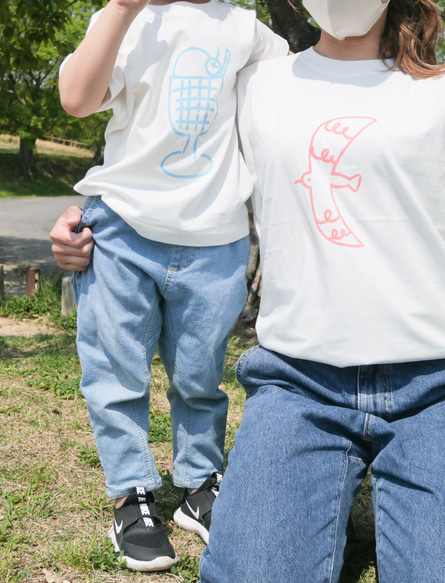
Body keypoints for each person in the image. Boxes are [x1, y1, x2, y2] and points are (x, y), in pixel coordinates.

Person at [51, 0, 445, 581]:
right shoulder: (256, 80)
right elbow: (163, 153)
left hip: (442, 384)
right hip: (296, 385)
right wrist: (89, 217)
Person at [52, 0, 287, 572]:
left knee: (201, 376)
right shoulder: (123, 17)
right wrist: (122, 8)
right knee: (115, 373)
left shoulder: (241, 25)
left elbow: (295, 91)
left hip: (215, 236)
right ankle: (131, 496)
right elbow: (77, 100)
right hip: (123, 229)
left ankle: (201, 485)